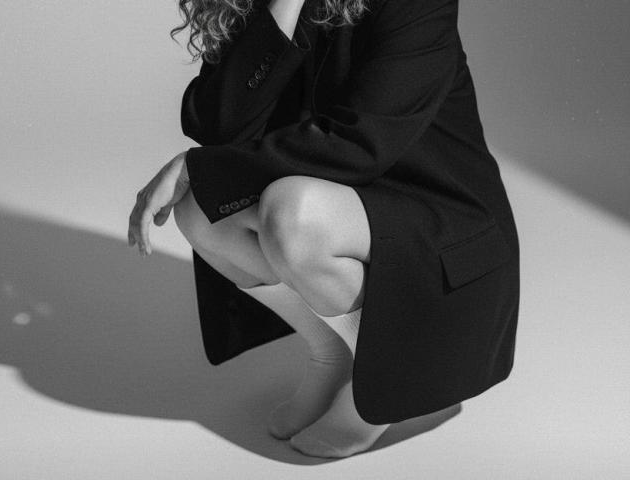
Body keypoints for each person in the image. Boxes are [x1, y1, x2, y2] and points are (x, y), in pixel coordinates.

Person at [128, 0, 520, 459]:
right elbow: (217, 124)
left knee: (290, 214)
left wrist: (199, 168)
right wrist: (282, 7)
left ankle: (387, 384)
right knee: (201, 208)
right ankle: (332, 353)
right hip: (345, 199)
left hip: (437, 220)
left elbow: (361, 142)